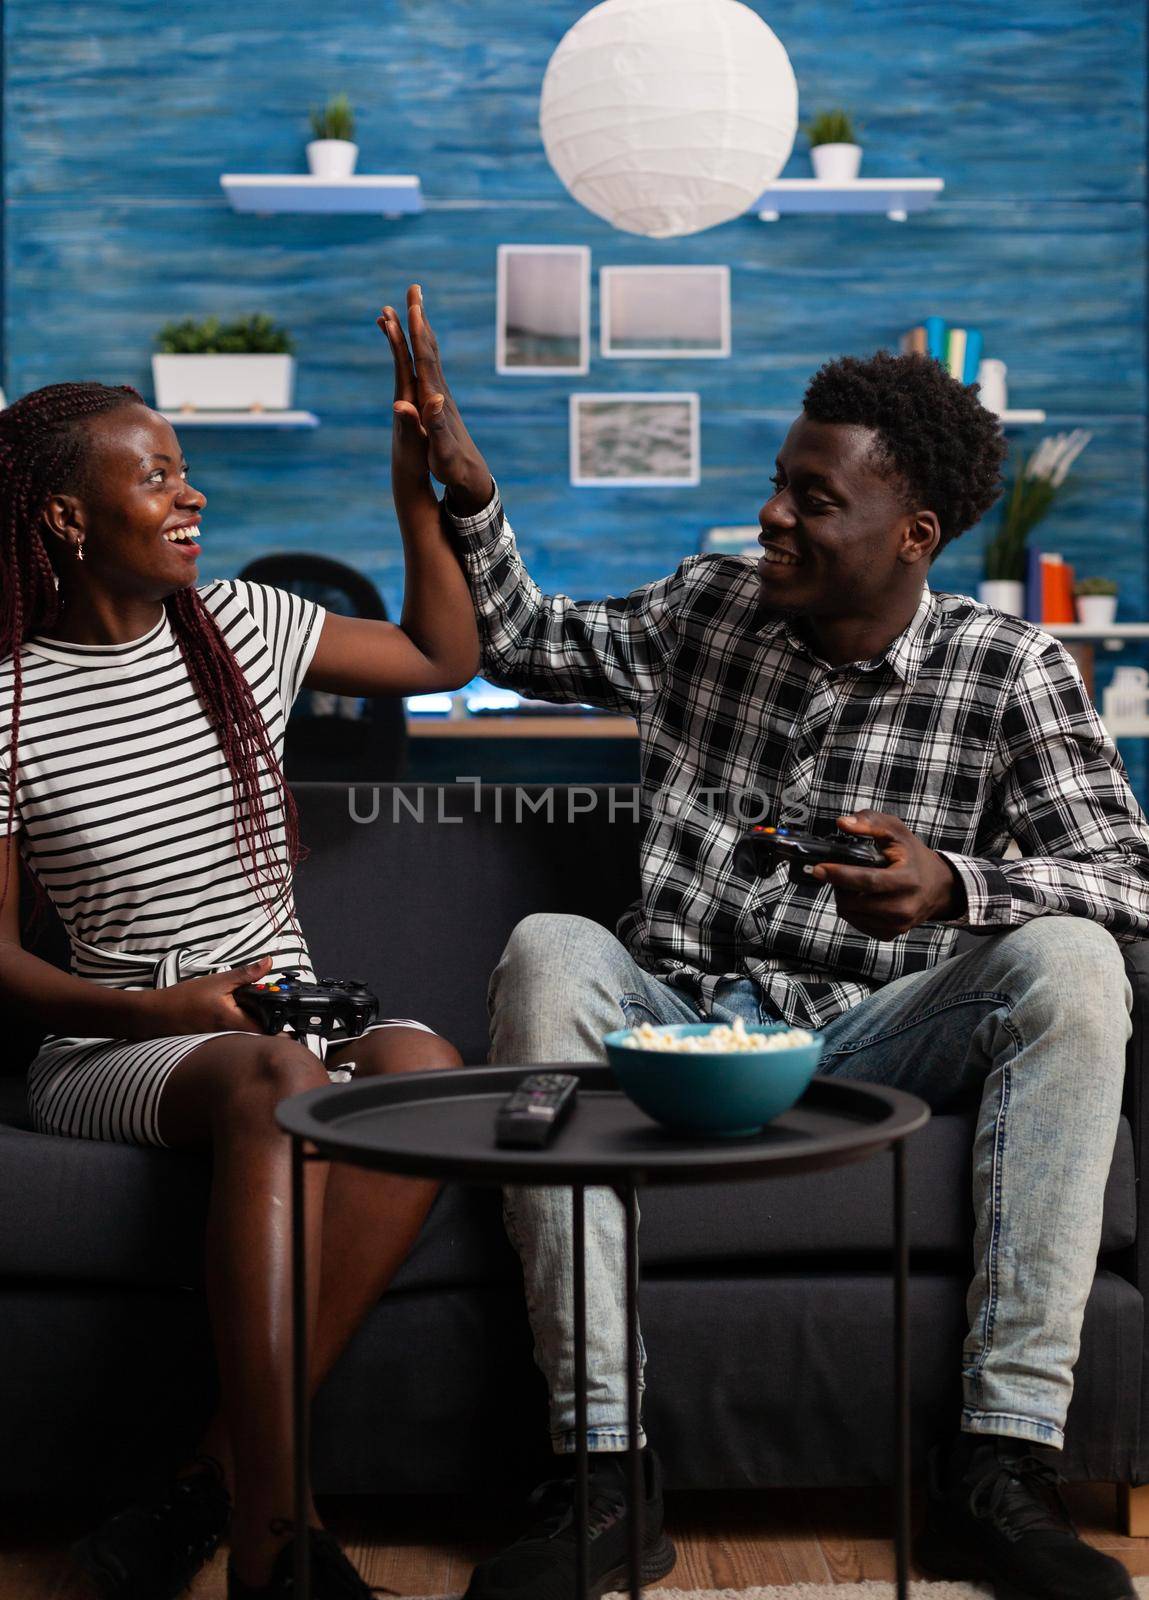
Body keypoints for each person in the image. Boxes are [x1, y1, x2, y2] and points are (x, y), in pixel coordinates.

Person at [399, 316, 1145, 1600]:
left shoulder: (1008, 667)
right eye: (776, 485)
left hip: (872, 1030)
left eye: (815, 498)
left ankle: (1001, 1466)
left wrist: (956, 882)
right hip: (673, 1021)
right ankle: (601, 1475)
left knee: (1077, 957)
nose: (772, 519)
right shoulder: (709, 608)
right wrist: (471, 494)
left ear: (915, 533)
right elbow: (524, 636)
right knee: (548, 945)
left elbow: (1129, 878)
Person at [0, 288, 474, 1600]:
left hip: (279, 1021)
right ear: (65, 517)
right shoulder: (8, 701)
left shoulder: (247, 630)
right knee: (279, 1080)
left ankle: (207, 1480)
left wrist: (412, 480)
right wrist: (171, 1014)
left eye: (188, 473)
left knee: (426, 1064)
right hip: (119, 1041)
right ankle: (279, 1541)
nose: (187, 497)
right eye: (156, 477)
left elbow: (445, 651)